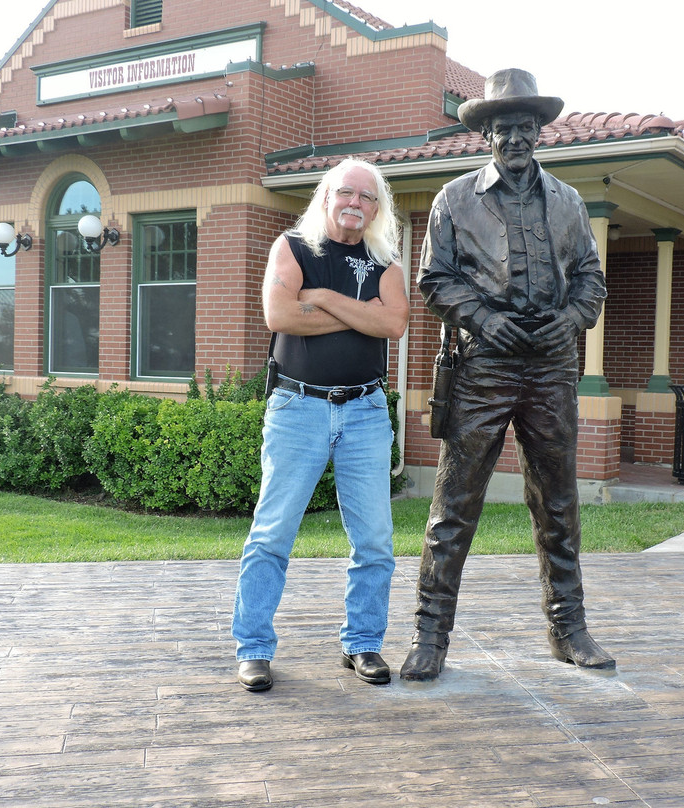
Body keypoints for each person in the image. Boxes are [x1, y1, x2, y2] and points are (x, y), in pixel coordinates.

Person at [400, 69, 615, 681]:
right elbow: (434, 280)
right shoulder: (454, 199)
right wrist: (485, 320)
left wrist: (569, 320)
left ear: (540, 133)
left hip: (549, 366)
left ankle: (569, 627)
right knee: (455, 503)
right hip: (484, 366)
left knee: (559, 502)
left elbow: (591, 283)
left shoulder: (570, 203)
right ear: (486, 136)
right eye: (503, 130)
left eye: (525, 128)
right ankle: (431, 634)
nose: (515, 139)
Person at [232, 158, 409, 692]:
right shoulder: (292, 246)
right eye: (346, 193)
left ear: (378, 208)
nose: (355, 203)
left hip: (365, 412)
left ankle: (363, 644)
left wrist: (325, 298)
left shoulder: (386, 260)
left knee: (374, 539)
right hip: (298, 408)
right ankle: (254, 648)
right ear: (326, 196)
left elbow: (394, 324)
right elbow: (280, 316)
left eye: (367, 197)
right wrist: (362, 311)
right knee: (271, 534)